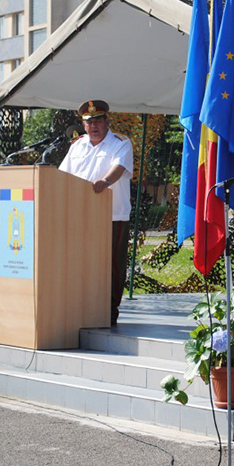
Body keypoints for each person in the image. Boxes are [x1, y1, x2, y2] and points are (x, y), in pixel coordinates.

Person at [59, 100, 133, 326]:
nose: (94, 126)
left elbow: (119, 168)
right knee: (82, 262)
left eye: (98, 121)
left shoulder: (120, 142)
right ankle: (83, 307)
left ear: (107, 121)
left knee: (112, 264)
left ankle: (109, 310)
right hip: (81, 215)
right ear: (83, 124)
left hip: (112, 215)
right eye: (89, 122)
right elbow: (63, 175)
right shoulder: (77, 146)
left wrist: (105, 181)